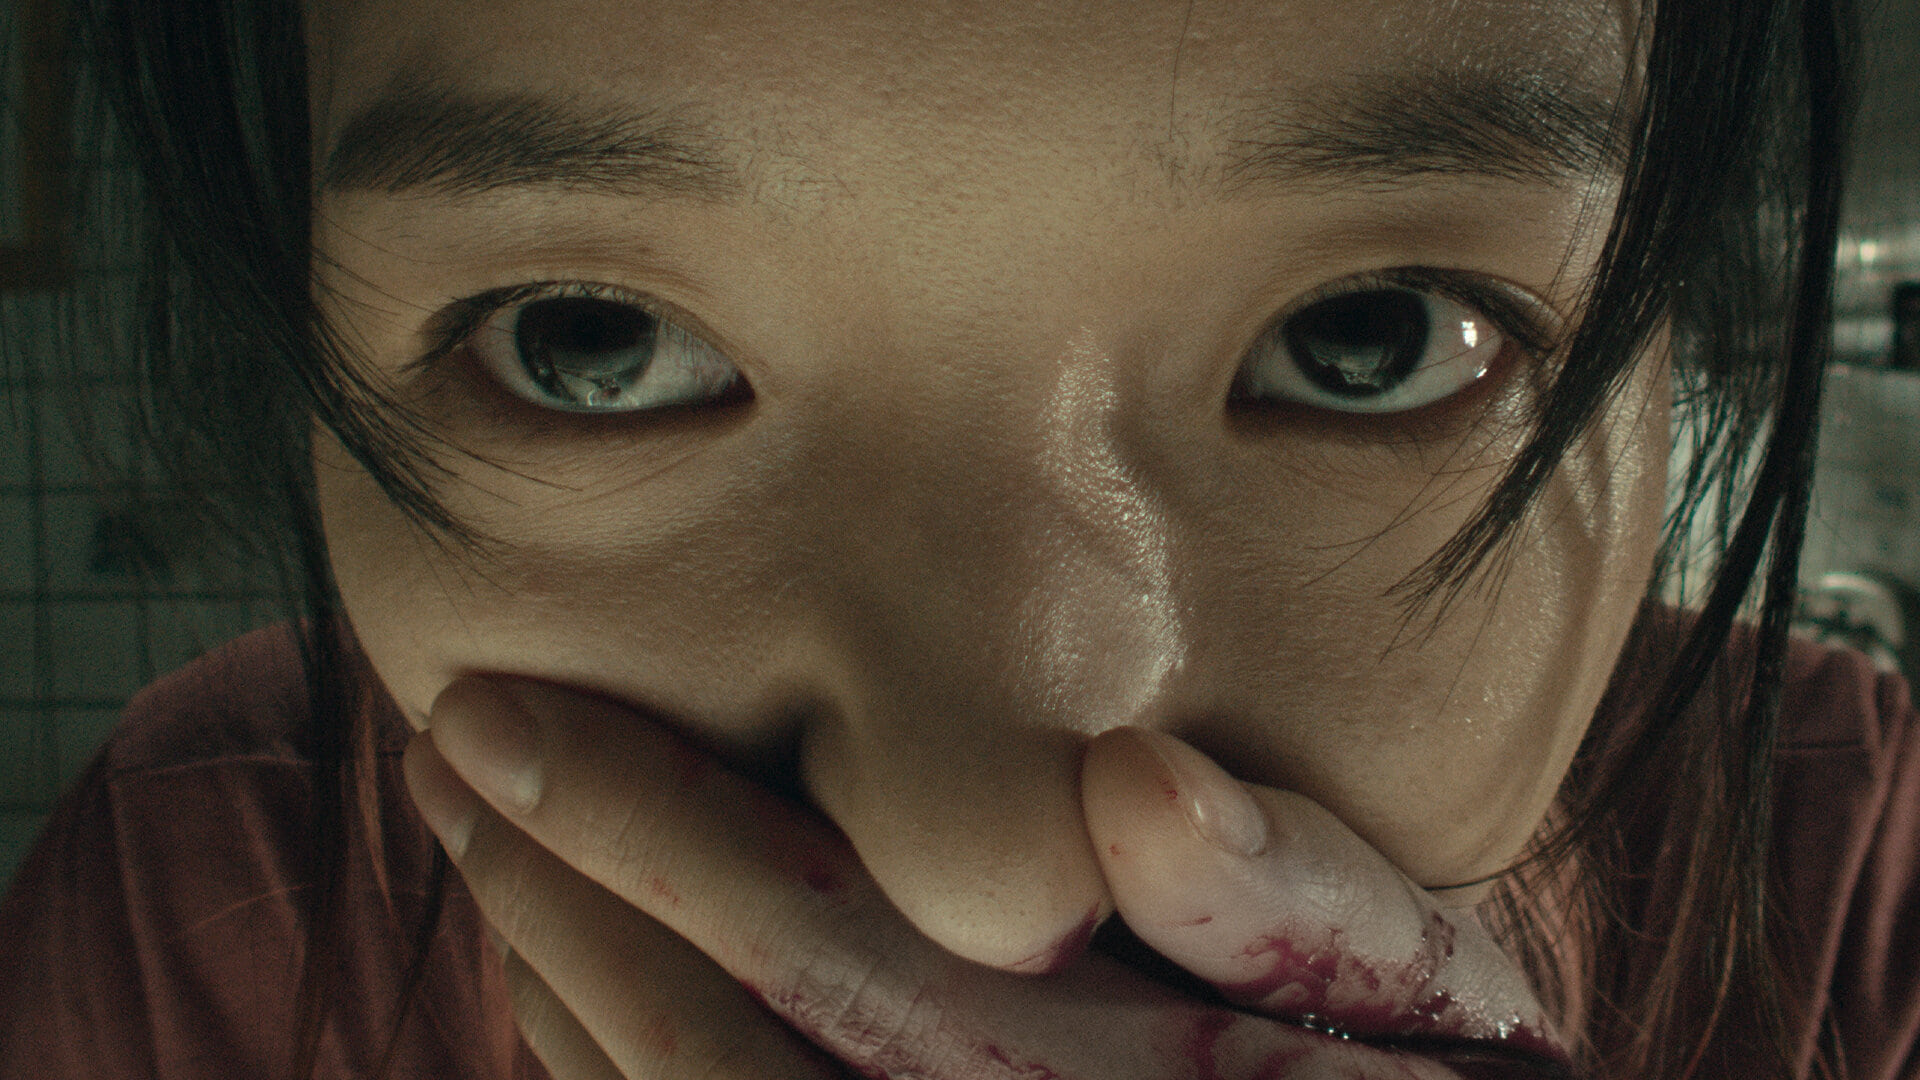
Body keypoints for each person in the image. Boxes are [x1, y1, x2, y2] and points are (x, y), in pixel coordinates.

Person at [1, 0, 1906, 1078]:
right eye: (591, 343)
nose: (983, 890)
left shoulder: (1868, 883)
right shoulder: (209, 896)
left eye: (1371, 337)